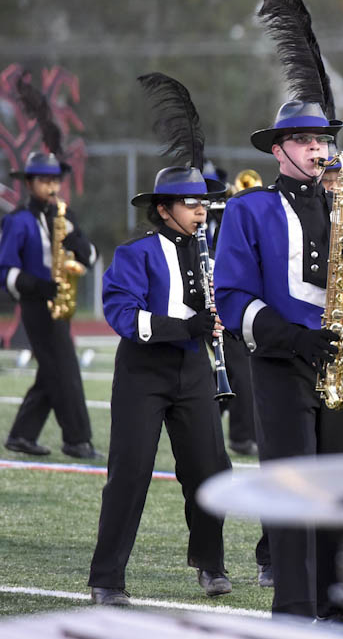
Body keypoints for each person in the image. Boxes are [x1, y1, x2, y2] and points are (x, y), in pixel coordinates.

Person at [215, 0, 343, 621]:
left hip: (340, 366)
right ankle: (293, 610)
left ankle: (337, 605)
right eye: (306, 141)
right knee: (293, 492)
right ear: (279, 149)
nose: (320, 150)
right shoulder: (249, 209)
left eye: (325, 140)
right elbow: (231, 295)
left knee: (339, 493)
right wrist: (291, 338)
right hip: (281, 364)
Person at [88, 73, 232, 606]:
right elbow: (121, 315)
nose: (202, 211)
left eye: (204, 204)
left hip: (194, 370)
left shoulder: (206, 252)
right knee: (129, 473)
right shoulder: (136, 253)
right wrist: (181, 327)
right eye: (193, 204)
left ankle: (211, 564)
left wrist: (217, 324)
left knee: (209, 470)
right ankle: (107, 578)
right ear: (165, 208)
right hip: (143, 373)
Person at [1, 76, 100, 460]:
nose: (52, 186)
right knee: (65, 370)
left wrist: (75, 242)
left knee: (51, 373)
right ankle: (78, 440)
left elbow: (89, 256)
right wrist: (39, 288)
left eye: (55, 180)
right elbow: (5, 271)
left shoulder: (65, 214)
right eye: (43, 180)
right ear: (29, 184)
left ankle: (20, 435)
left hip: (61, 301)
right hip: (36, 305)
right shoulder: (18, 221)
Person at [203, 161, 259, 458]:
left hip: (233, 306)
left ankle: (202, 416)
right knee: (240, 370)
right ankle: (240, 436)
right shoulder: (195, 221)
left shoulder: (227, 215)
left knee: (232, 373)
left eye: (215, 190)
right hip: (207, 309)